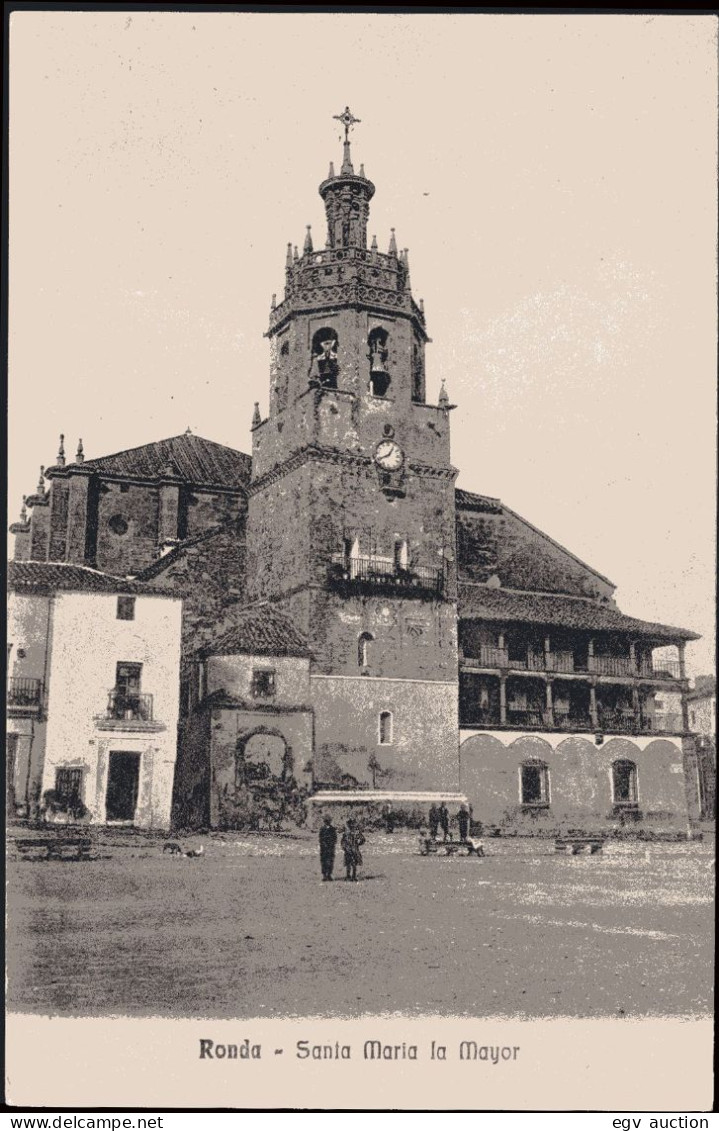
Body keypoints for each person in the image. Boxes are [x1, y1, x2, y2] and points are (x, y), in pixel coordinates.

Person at [341, 818, 365, 882]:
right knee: (349, 864)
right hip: (349, 850)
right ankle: (349, 876)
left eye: (352, 824)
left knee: (353, 864)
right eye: (350, 824)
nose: (351, 826)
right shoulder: (346, 833)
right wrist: (344, 848)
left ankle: (353, 876)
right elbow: (342, 842)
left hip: (353, 849)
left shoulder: (356, 832)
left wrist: (358, 844)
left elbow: (363, 839)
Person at [318, 814, 338, 881]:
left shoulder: (332, 829)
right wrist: (324, 844)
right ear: (324, 821)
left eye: (328, 821)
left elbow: (335, 838)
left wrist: (331, 845)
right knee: (324, 862)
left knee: (330, 861)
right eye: (326, 821)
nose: (327, 822)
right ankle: (324, 875)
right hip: (323, 849)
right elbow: (320, 839)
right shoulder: (322, 829)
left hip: (330, 848)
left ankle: (329, 875)